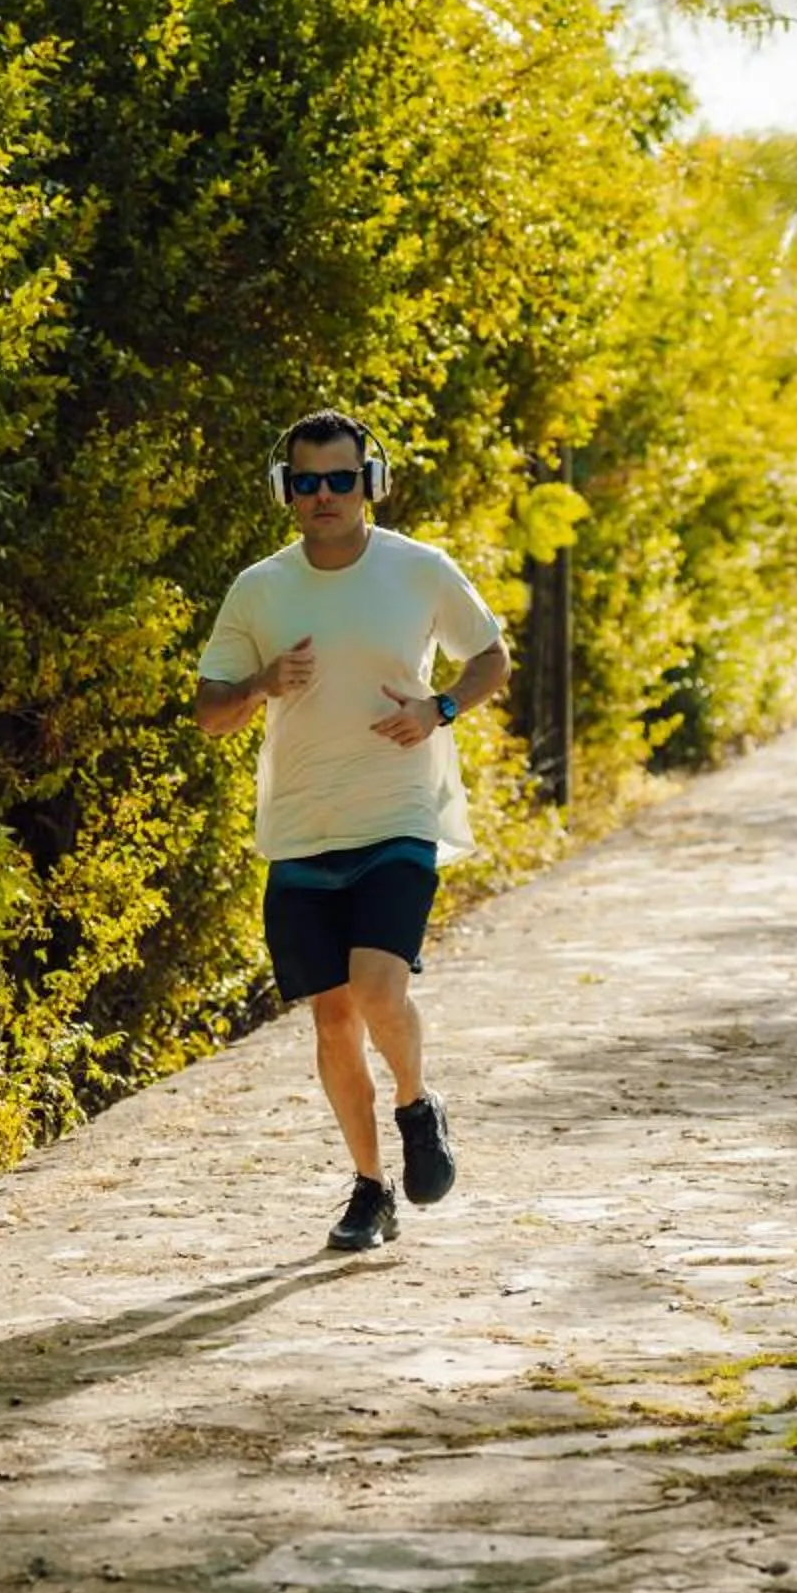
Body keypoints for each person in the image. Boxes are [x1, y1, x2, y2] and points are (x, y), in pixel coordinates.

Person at [195, 411, 512, 1251]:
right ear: (284, 491)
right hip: (300, 827)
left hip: (398, 812)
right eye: (307, 482)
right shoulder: (260, 588)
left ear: (370, 483)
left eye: (341, 479)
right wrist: (263, 680)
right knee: (333, 1018)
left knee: (378, 989)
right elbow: (210, 714)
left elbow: (491, 656)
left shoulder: (417, 569)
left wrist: (439, 707)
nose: (324, 495)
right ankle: (371, 1189)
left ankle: (416, 1100)